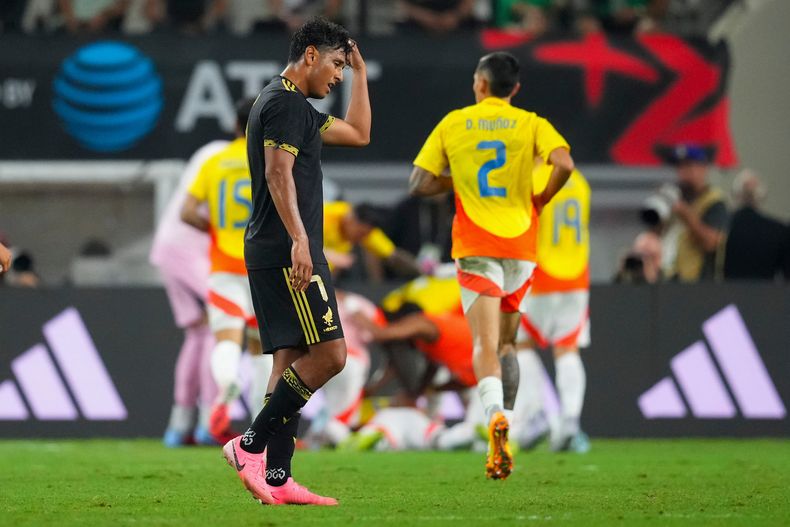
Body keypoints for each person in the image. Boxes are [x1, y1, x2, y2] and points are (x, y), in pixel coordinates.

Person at [222, 17, 370, 506]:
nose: (338, 75)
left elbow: (358, 134)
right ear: (310, 55)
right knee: (330, 356)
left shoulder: (294, 106)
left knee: (289, 360)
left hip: (274, 246)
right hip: (289, 249)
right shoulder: (285, 103)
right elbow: (277, 172)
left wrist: (361, 74)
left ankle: (278, 476)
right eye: (336, 64)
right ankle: (249, 446)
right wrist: (301, 240)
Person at [410, 51, 574, 479]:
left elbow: (418, 183)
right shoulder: (532, 123)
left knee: (483, 344)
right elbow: (564, 164)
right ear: (514, 89)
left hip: (477, 245)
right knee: (507, 344)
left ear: (480, 83)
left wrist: (458, 179)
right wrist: (542, 198)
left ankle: (494, 417)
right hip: (521, 248)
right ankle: (509, 428)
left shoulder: (454, 122)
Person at [181, 99, 272, 444]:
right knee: (261, 347)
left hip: (224, 265)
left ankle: (227, 383)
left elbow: (187, 211)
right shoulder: (269, 158)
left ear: (234, 124)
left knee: (226, 339)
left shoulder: (214, 162)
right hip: (262, 264)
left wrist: (214, 229)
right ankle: (261, 422)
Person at [150, 138, 226, 447]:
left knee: (198, 332)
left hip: (169, 247)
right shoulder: (231, 157)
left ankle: (179, 425)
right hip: (189, 249)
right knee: (220, 325)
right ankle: (210, 421)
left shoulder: (210, 150)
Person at [519, 161, 591, 453]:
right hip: (576, 277)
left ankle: (536, 415)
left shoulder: (533, 178)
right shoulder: (580, 181)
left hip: (540, 273)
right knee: (567, 348)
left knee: (518, 343)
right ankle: (570, 422)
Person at [661, 144, 728, 282]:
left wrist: (686, 215)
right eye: (679, 167)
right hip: (671, 279)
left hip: (699, 283)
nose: (683, 173)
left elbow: (712, 243)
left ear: (704, 168)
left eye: (688, 166)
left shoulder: (714, 201)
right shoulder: (676, 198)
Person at [323, 201, 419, 279]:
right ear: (350, 219)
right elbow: (312, 243)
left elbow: (393, 255)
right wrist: (328, 254)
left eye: (365, 235)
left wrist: (420, 270)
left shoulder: (367, 232)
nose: (361, 239)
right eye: (360, 233)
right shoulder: (325, 216)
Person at [723, 169, 790, 281]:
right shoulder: (780, 231)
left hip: (723, 290)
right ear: (761, 195)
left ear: (735, 194)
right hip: (767, 291)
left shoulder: (719, 228)